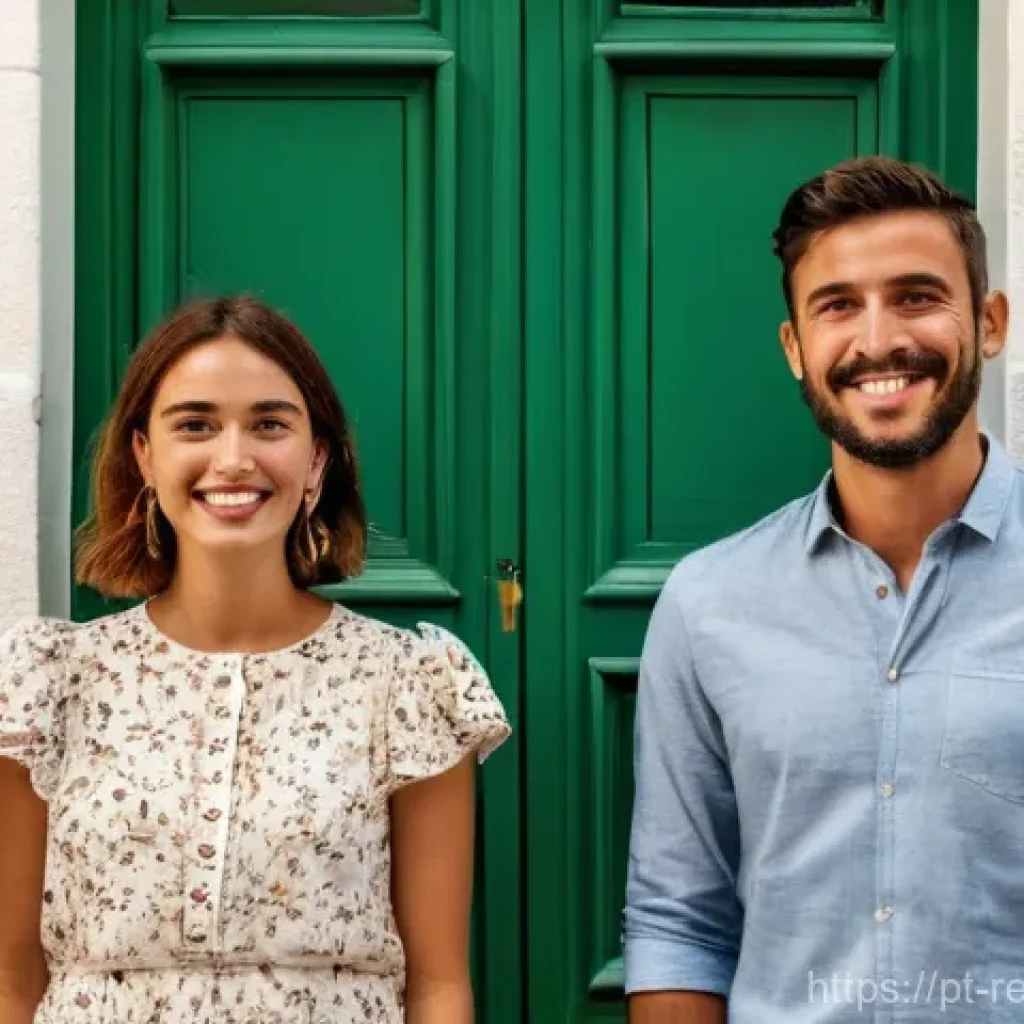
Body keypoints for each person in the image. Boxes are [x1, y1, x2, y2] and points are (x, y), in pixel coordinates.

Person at [0, 295, 510, 1024]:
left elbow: (438, 985)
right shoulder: (49, 683)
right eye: (196, 425)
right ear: (145, 453)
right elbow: (11, 978)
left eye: (270, 424)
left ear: (316, 461)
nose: (233, 459)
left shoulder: (407, 685)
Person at [623, 155, 1021, 1022]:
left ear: (990, 322)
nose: (878, 341)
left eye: (918, 296)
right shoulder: (708, 605)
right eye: (838, 306)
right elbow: (676, 922)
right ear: (795, 348)